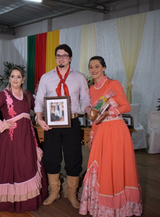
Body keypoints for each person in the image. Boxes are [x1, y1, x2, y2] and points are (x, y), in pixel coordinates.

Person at [79, 56, 142, 216]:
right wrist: (92, 135)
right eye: (91, 67)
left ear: (104, 68)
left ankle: (119, 205)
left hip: (116, 130)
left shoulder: (113, 84)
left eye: (97, 66)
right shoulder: (92, 89)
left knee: (115, 165)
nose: (93, 70)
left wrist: (110, 112)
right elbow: (94, 115)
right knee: (100, 165)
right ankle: (102, 206)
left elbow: (126, 106)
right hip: (100, 131)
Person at [34, 44, 91, 209]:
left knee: (73, 157)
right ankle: (54, 192)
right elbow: (39, 99)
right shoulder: (46, 77)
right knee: (51, 157)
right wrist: (39, 117)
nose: (61, 58)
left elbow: (85, 98)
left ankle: (72, 194)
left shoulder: (79, 77)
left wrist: (88, 109)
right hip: (51, 124)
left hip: (72, 122)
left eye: (64, 55)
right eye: (58, 55)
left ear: (70, 58)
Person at [0, 66, 48, 213]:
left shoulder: (27, 94)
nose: (15, 79)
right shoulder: (3, 95)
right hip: (10, 139)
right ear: (9, 78)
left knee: (26, 165)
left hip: (27, 137)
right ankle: (9, 203)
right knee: (11, 167)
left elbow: (37, 107)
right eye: (12, 76)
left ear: (23, 79)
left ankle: (27, 202)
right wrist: (1, 124)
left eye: (18, 77)